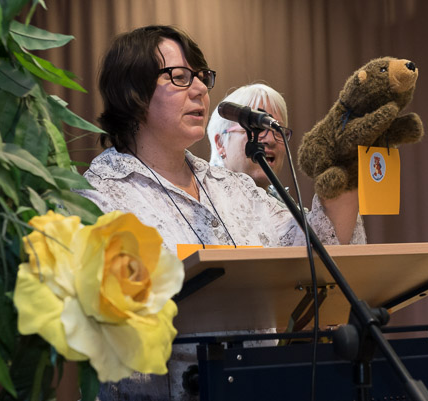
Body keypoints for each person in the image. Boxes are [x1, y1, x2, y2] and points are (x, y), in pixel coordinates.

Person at [78, 25, 366, 401]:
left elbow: (315, 252)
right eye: (179, 76)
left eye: (201, 76)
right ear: (132, 92)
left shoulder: (234, 188)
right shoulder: (97, 196)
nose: (200, 89)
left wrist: (346, 159)